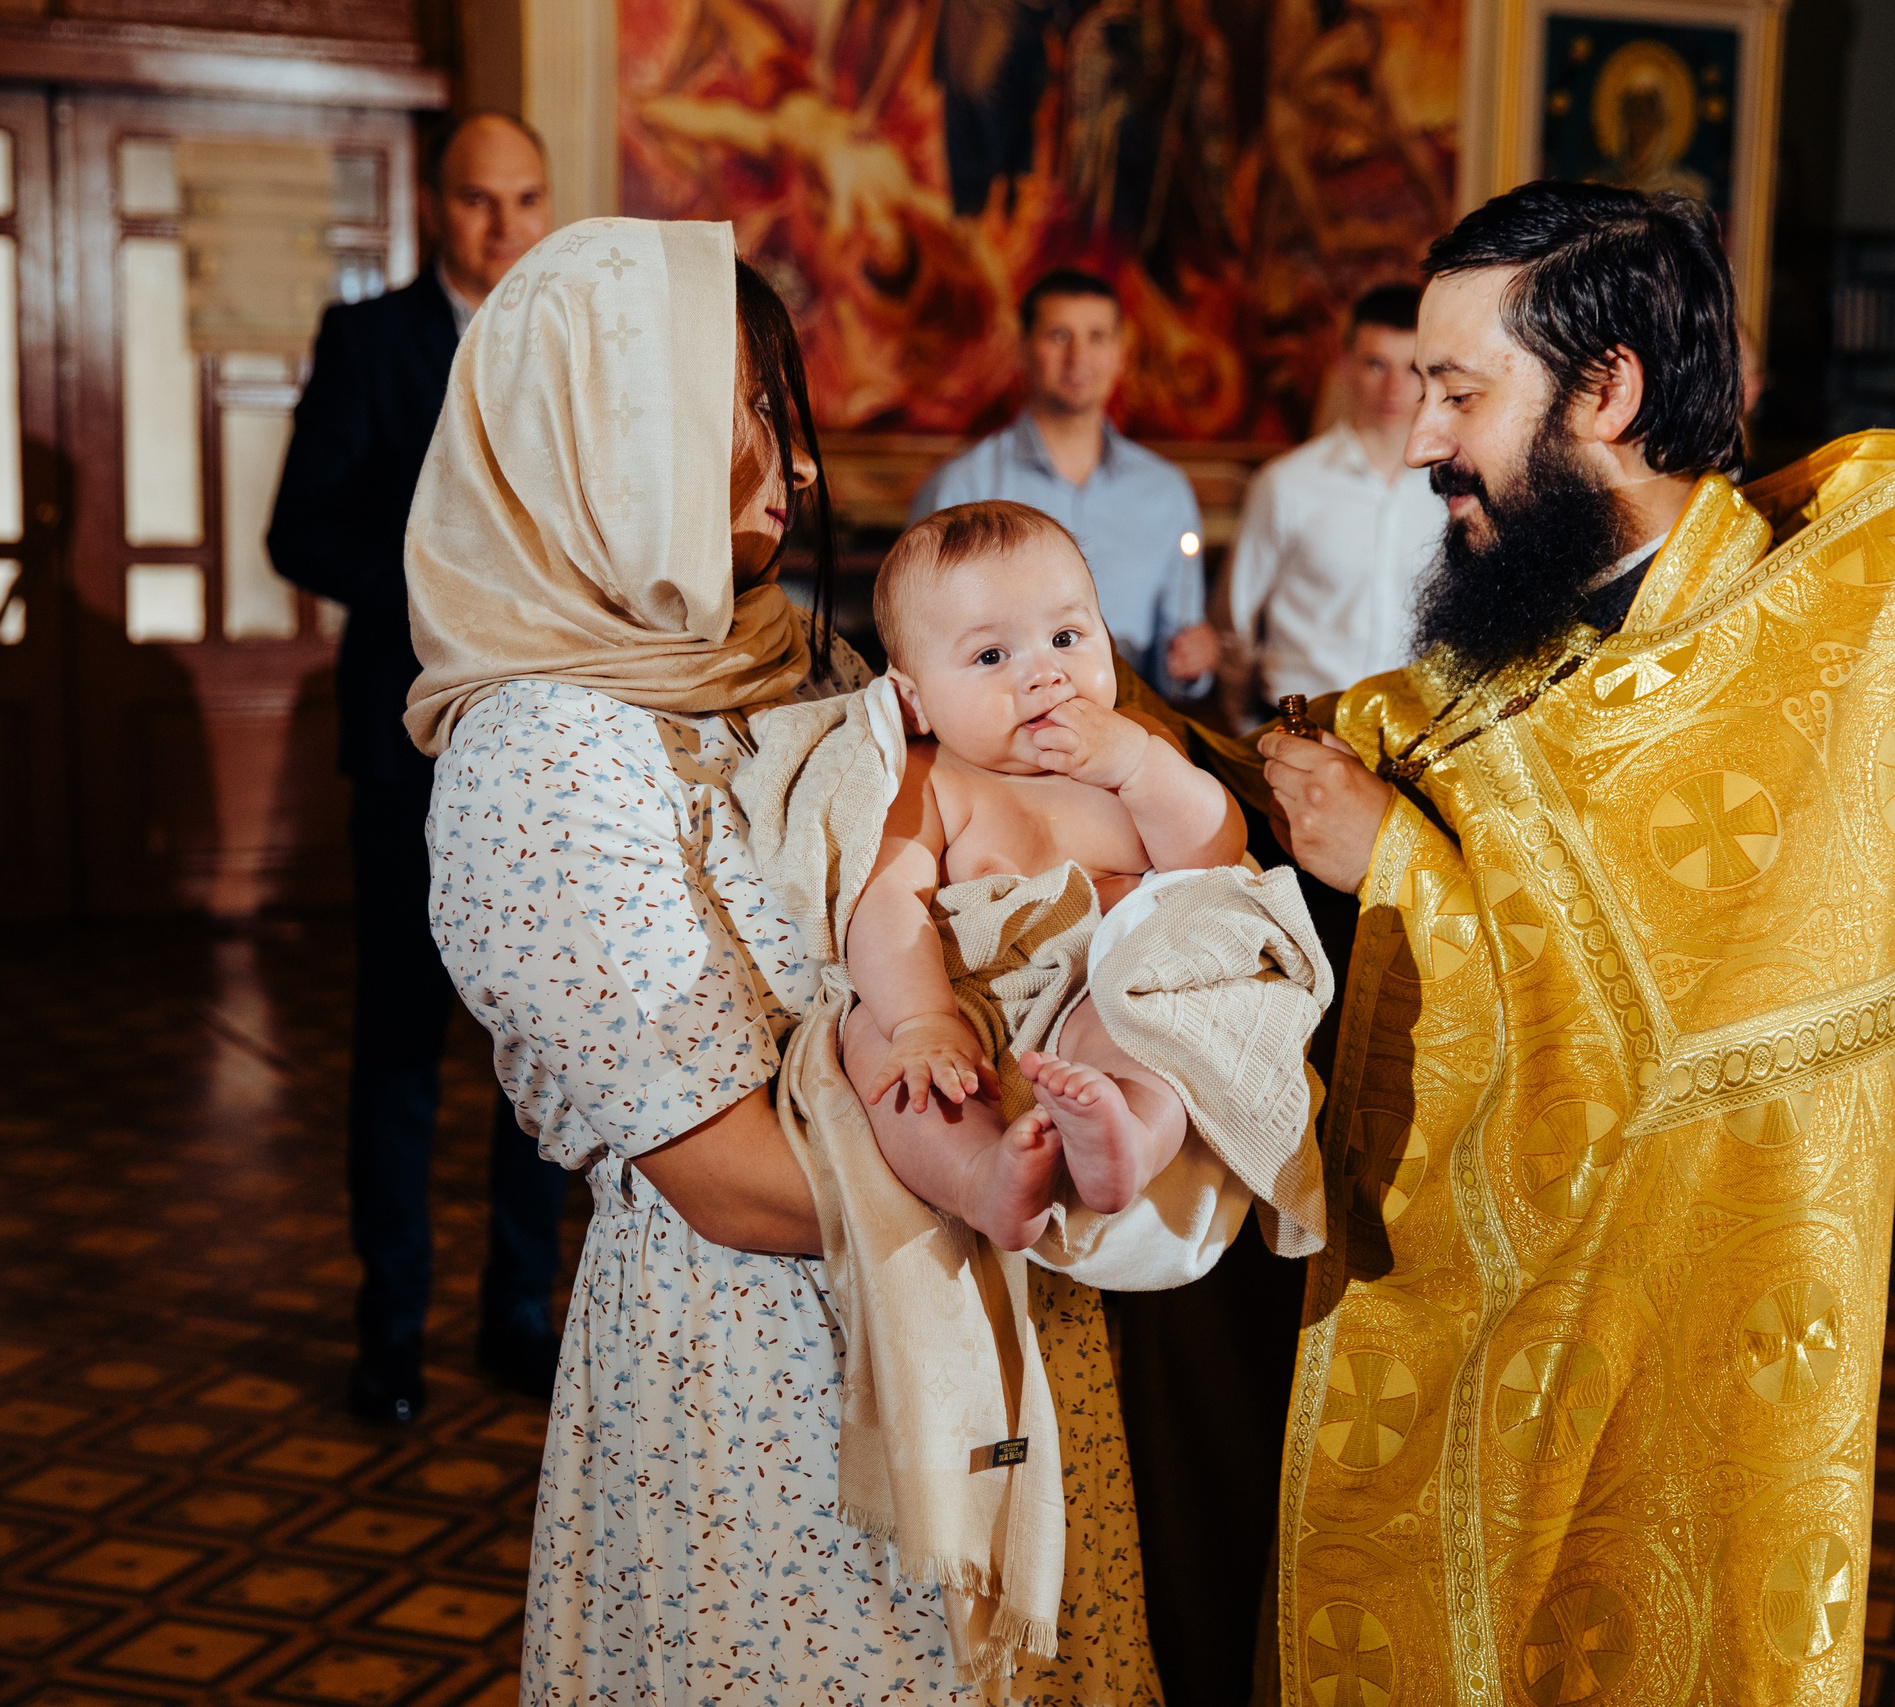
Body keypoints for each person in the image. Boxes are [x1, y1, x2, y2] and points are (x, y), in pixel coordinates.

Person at [404, 217, 1229, 1702]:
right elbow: (719, 1169)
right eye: (746, 420)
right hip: (778, 1380)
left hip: (990, 1303)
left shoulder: (802, 660)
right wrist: (1028, 1187)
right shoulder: (540, 754)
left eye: (785, 424)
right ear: (605, 440)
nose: (794, 469)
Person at [1247, 182, 1895, 1703]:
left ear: (1606, 390)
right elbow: (1408, 749)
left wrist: (1396, 866)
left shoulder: (1774, 658)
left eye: (1458, 391)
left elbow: (1647, 1043)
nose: (1423, 439)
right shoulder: (1564, 614)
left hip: (1668, 1367)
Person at [265, 111, 565, 1424]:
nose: (503, 225)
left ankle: (520, 1306)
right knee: (398, 1046)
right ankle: (389, 1321)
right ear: (436, 207)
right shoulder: (370, 340)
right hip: (405, 747)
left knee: (535, 1048)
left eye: (525, 199)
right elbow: (297, 530)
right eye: (478, 200)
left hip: (550, 751)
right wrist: (431, 567)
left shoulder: (572, 352)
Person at [848, 500, 1250, 1246]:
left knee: (1157, 1031)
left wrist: (1138, 765)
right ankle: (980, 1176)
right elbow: (886, 899)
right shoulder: (931, 780)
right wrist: (922, 1017)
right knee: (874, 1045)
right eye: (991, 656)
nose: (1045, 673)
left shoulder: (1133, 750)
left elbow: (1215, 851)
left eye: (1066, 637)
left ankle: (1124, 1135)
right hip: (980, 1003)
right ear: (914, 700)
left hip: (1106, 985)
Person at [909, 269, 1217, 699]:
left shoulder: (1165, 492)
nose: (1079, 358)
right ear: (1023, 348)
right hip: (1003, 734)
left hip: (1135, 731)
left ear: (1120, 352)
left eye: (1097, 337)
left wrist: (1190, 666)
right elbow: (923, 643)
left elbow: (1176, 659)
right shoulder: (964, 486)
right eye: (1058, 335)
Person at [1222, 282, 1442, 713]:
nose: (1394, 386)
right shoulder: (1285, 484)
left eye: (1412, 368)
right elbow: (1236, 624)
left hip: (1417, 730)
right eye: (1376, 365)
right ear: (1344, 365)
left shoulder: (1455, 489)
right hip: (1303, 721)